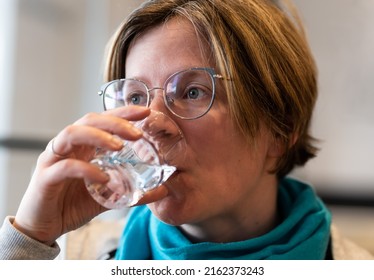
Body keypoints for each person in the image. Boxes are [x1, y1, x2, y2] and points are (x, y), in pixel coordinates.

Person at [0, 0, 373, 260]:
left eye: (193, 92)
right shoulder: (72, 257)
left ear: (280, 130)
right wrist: (31, 237)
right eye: (135, 96)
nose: (152, 123)